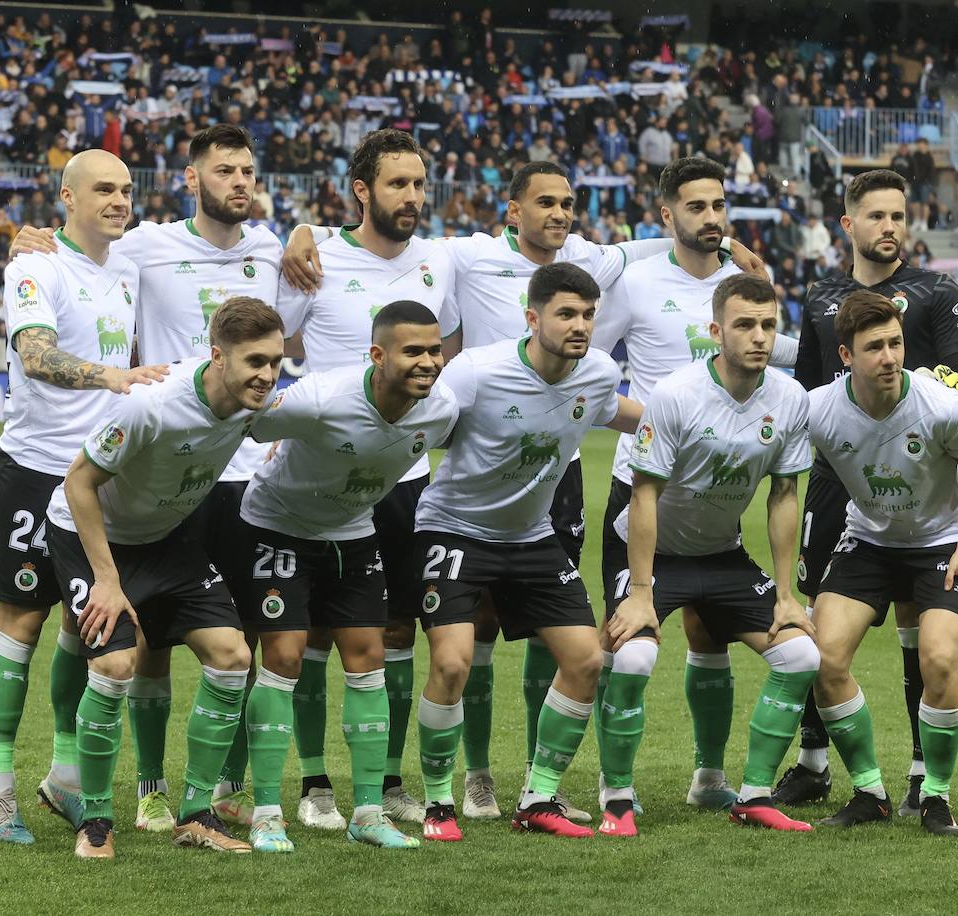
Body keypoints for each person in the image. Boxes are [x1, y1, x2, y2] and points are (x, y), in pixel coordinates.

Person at [281, 157, 765, 823]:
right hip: (464, 470)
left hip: (549, 472)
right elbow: (382, 239)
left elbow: (665, 239)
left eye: (568, 202)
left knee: (551, 639)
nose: (560, 214)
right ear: (513, 210)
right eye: (545, 202)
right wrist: (307, 229)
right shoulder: (465, 256)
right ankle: (464, 778)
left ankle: (537, 784)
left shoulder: (591, 266)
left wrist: (733, 246)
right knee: (429, 639)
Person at [9, 123, 289, 833]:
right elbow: (79, 244)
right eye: (224, 169)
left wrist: (312, 235)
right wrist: (28, 237)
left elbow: (298, 336)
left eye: (248, 170)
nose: (239, 181)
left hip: (242, 468)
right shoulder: (145, 246)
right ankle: (150, 791)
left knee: (241, 639)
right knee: (149, 644)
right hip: (154, 449)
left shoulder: (275, 250)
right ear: (193, 179)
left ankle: (220, 790)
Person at [592, 157, 797, 815]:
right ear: (667, 215)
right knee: (629, 643)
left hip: (717, 497)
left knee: (712, 640)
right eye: (697, 207)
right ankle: (612, 788)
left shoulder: (744, 285)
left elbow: (782, 356)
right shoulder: (636, 280)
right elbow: (593, 373)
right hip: (643, 486)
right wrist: (650, 417)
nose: (711, 218)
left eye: (719, 206)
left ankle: (711, 780)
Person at [411, 262, 641, 842]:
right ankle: (439, 802)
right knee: (453, 662)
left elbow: (623, 413)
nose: (580, 325)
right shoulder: (476, 372)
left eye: (588, 314)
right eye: (566, 313)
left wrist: (701, 421)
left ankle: (538, 798)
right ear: (533, 318)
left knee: (587, 660)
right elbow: (412, 417)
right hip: (453, 529)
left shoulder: (595, 373)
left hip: (531, 537)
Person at [48, 297, 285, 858]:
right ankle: (96, 821)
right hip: (93, 537)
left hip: (166, 539)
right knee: (113, 665)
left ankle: (198, 813)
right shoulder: (149, 406)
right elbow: (77, 483)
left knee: (232, 656)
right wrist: (107, 581)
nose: (268, 374)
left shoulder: (257, 402)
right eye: (255, 361)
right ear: (218, 357)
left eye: (276, 360)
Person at [0, 149, 165, 845]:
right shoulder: (35, 266)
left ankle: (65, 780)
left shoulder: (132, 263)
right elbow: (34, 353)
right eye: (104, 190)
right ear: (67, 197)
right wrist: (111, 378)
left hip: (104, 478)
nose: (119, 200)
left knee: (81, 632)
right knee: (21, 626)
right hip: (34, 470)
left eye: (125, 189)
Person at [779, 169, 958, 815]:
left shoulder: (934, 291)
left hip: (919, 474)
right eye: (877, 216)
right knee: (819, 627)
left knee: (921, 634)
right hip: (838, 479)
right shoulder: (819, 298)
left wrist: (911, 393)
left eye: (899, 216)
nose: (890, 227)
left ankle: (924, 770)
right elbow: (807, 390)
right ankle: (813, 762)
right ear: (849, 225)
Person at [273, 129, 454, 829]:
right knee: (316, 631)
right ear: (361, 191)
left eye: (419, 184)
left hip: (406, 477)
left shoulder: (441, 261)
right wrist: (300, 231)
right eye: (397, 185)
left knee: (399, 629)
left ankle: (388, 779)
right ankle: (315, 784)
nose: (412, 198)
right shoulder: (315, 261)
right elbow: (283, 340)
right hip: (323, 479)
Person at [232, 301, 459, 853]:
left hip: (355, 534)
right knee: (283, 659)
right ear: (378, 356)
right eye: (413, 352)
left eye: (434, 350)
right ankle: (266, 813)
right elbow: (244, 415)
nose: (428, 361)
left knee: (369, 658)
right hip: (278, 528)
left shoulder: (440, 409)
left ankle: (367, 812)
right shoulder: (321, 397)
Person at [807, 290, 958, 836]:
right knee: (822, 659)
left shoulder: (941, 405)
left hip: (939, 545)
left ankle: (935, 795)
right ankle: (869, 792)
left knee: (937, 659)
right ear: (846, 356)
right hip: (868, 541)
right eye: (874, 347)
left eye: (895, 343)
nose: (889, 357)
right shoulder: (818, 408)